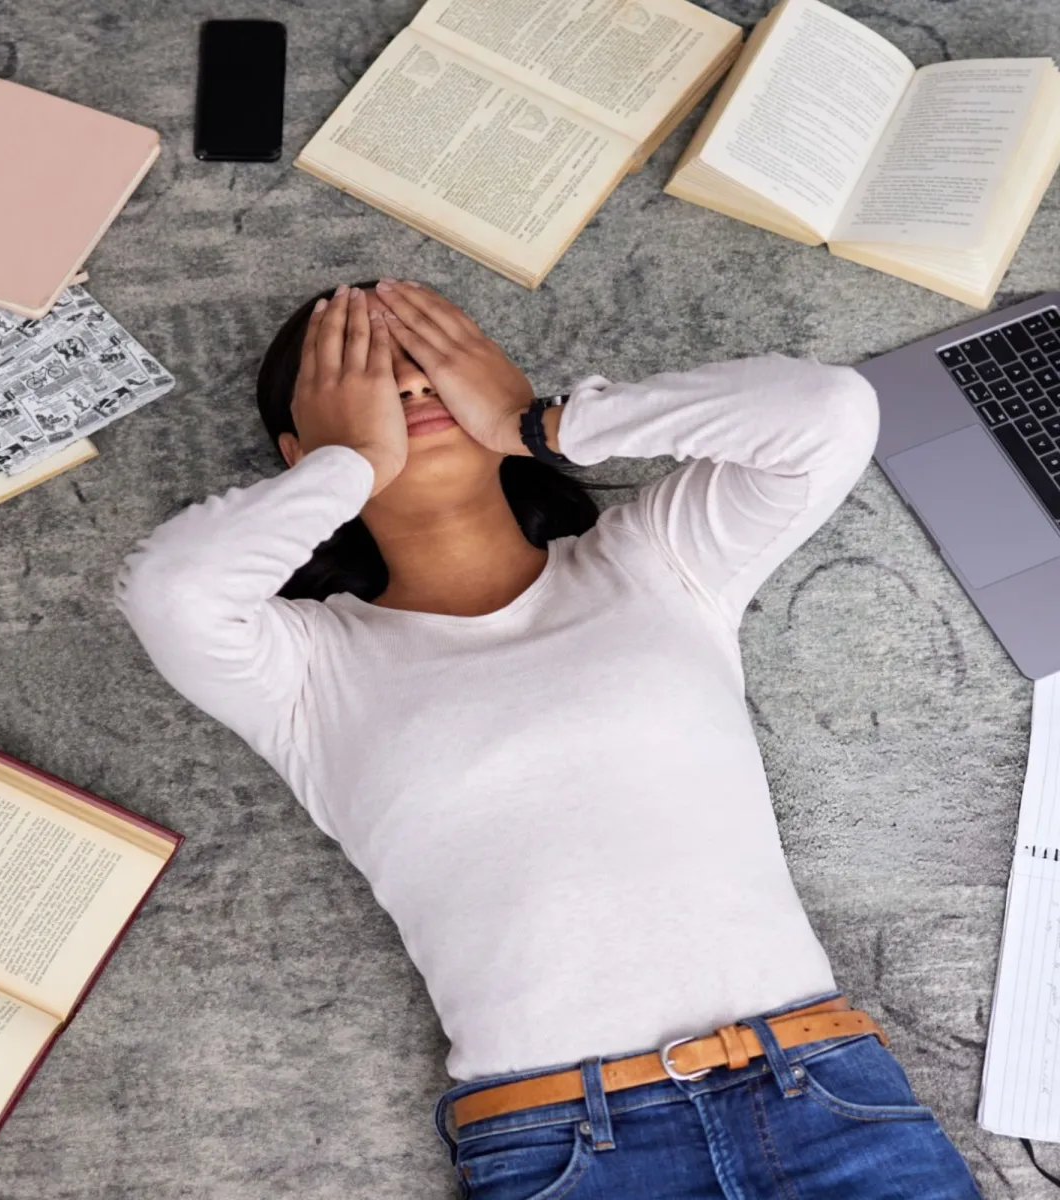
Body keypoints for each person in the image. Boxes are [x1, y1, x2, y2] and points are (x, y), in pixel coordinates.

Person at [115, 279, 984, 1199]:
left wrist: (542, 423)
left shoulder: (659, 560)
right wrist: (351, 464)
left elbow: (828, 411)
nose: (410, 387)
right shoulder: (299, 671)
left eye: (429, 361)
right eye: (365, 379)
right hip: (568, 1146)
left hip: (824, 1094)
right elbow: (170, 591)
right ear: (298, 455)